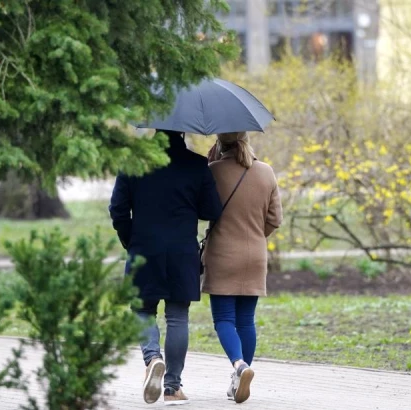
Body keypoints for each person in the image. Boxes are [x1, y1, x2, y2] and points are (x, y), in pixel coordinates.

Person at [109, 130, 222, 405]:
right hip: (182, 252)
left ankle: (152, 358)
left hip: (143, 249)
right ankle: (172, 388)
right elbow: (212, 211)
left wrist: (129, 239)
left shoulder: (133, 162)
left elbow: (118, 209)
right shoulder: (196, 165)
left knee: (142, 309)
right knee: (177, 316)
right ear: (183, 130)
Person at [202, 132, 283, 404]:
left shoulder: (212, 171)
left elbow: (202, 210)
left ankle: (239, 365)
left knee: (223, 319)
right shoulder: (266, 172)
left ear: (219, 143)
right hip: (255, 255)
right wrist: (255, 236)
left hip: (223, 254)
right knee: (246, 320)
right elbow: (275, 219)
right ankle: (241, 377)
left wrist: (208, 165)